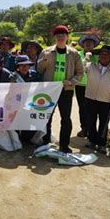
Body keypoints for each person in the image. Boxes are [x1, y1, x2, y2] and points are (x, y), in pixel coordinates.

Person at [37, 25, 83, 153]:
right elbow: (39, 70)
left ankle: (64, 144)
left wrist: (71, 82)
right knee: (47, 117)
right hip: (49, 90)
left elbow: (80, 72)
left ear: (67, 37)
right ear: (55, 38)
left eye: (63, 34)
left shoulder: (74, 54)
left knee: (66, 118)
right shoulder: (46, 51)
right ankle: (45, 142)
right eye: (58, 35)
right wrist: (44, 60)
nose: (60, 37)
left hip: (66, 90)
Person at [84, 45, 110, 154]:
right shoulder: (91, 65)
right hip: (90, 97)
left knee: (104, 123)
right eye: (102, 54)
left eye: (107, 54)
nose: (104, 56)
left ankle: (101, 144)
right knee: (90, 121)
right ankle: (92, 140)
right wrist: (86, 58)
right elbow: (80, 69)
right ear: (98, 55)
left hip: (106, 100)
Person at [10, 55, 40, 143]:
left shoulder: (34, 74)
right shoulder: (12, 76)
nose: (24, 67)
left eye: (26, 65)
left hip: (31, 105)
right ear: (17, 66)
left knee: (28, 134)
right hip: (16, 105)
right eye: (21, 65)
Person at [75, 33, 100, 138]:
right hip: (80, 85)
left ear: (94, 45)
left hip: (93, 85)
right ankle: (84, 128)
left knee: (93, 108)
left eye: (91, 43)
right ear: (83, 45)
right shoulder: (77, 54)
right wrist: (85, 58)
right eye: (86, 43)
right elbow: (78, 68)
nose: (88, 44)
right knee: (82, 107)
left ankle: (92, 129)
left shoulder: (98, 56)